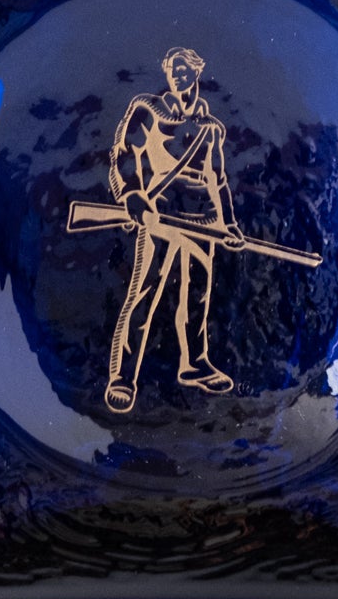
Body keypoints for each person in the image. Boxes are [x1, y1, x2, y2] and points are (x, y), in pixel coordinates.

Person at [103, 46, 246, 413]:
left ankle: (194, 364)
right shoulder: (148, 109)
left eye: (184, 70)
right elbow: (123, 153)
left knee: (198, 294)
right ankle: (122, 376)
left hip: (202, 221)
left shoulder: (210, 128)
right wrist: (133, 194)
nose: (178, 76)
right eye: (173, 70)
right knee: (145, 294)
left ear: (197, 72)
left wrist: (227, 223)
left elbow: (218, 179)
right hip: (160, 214)